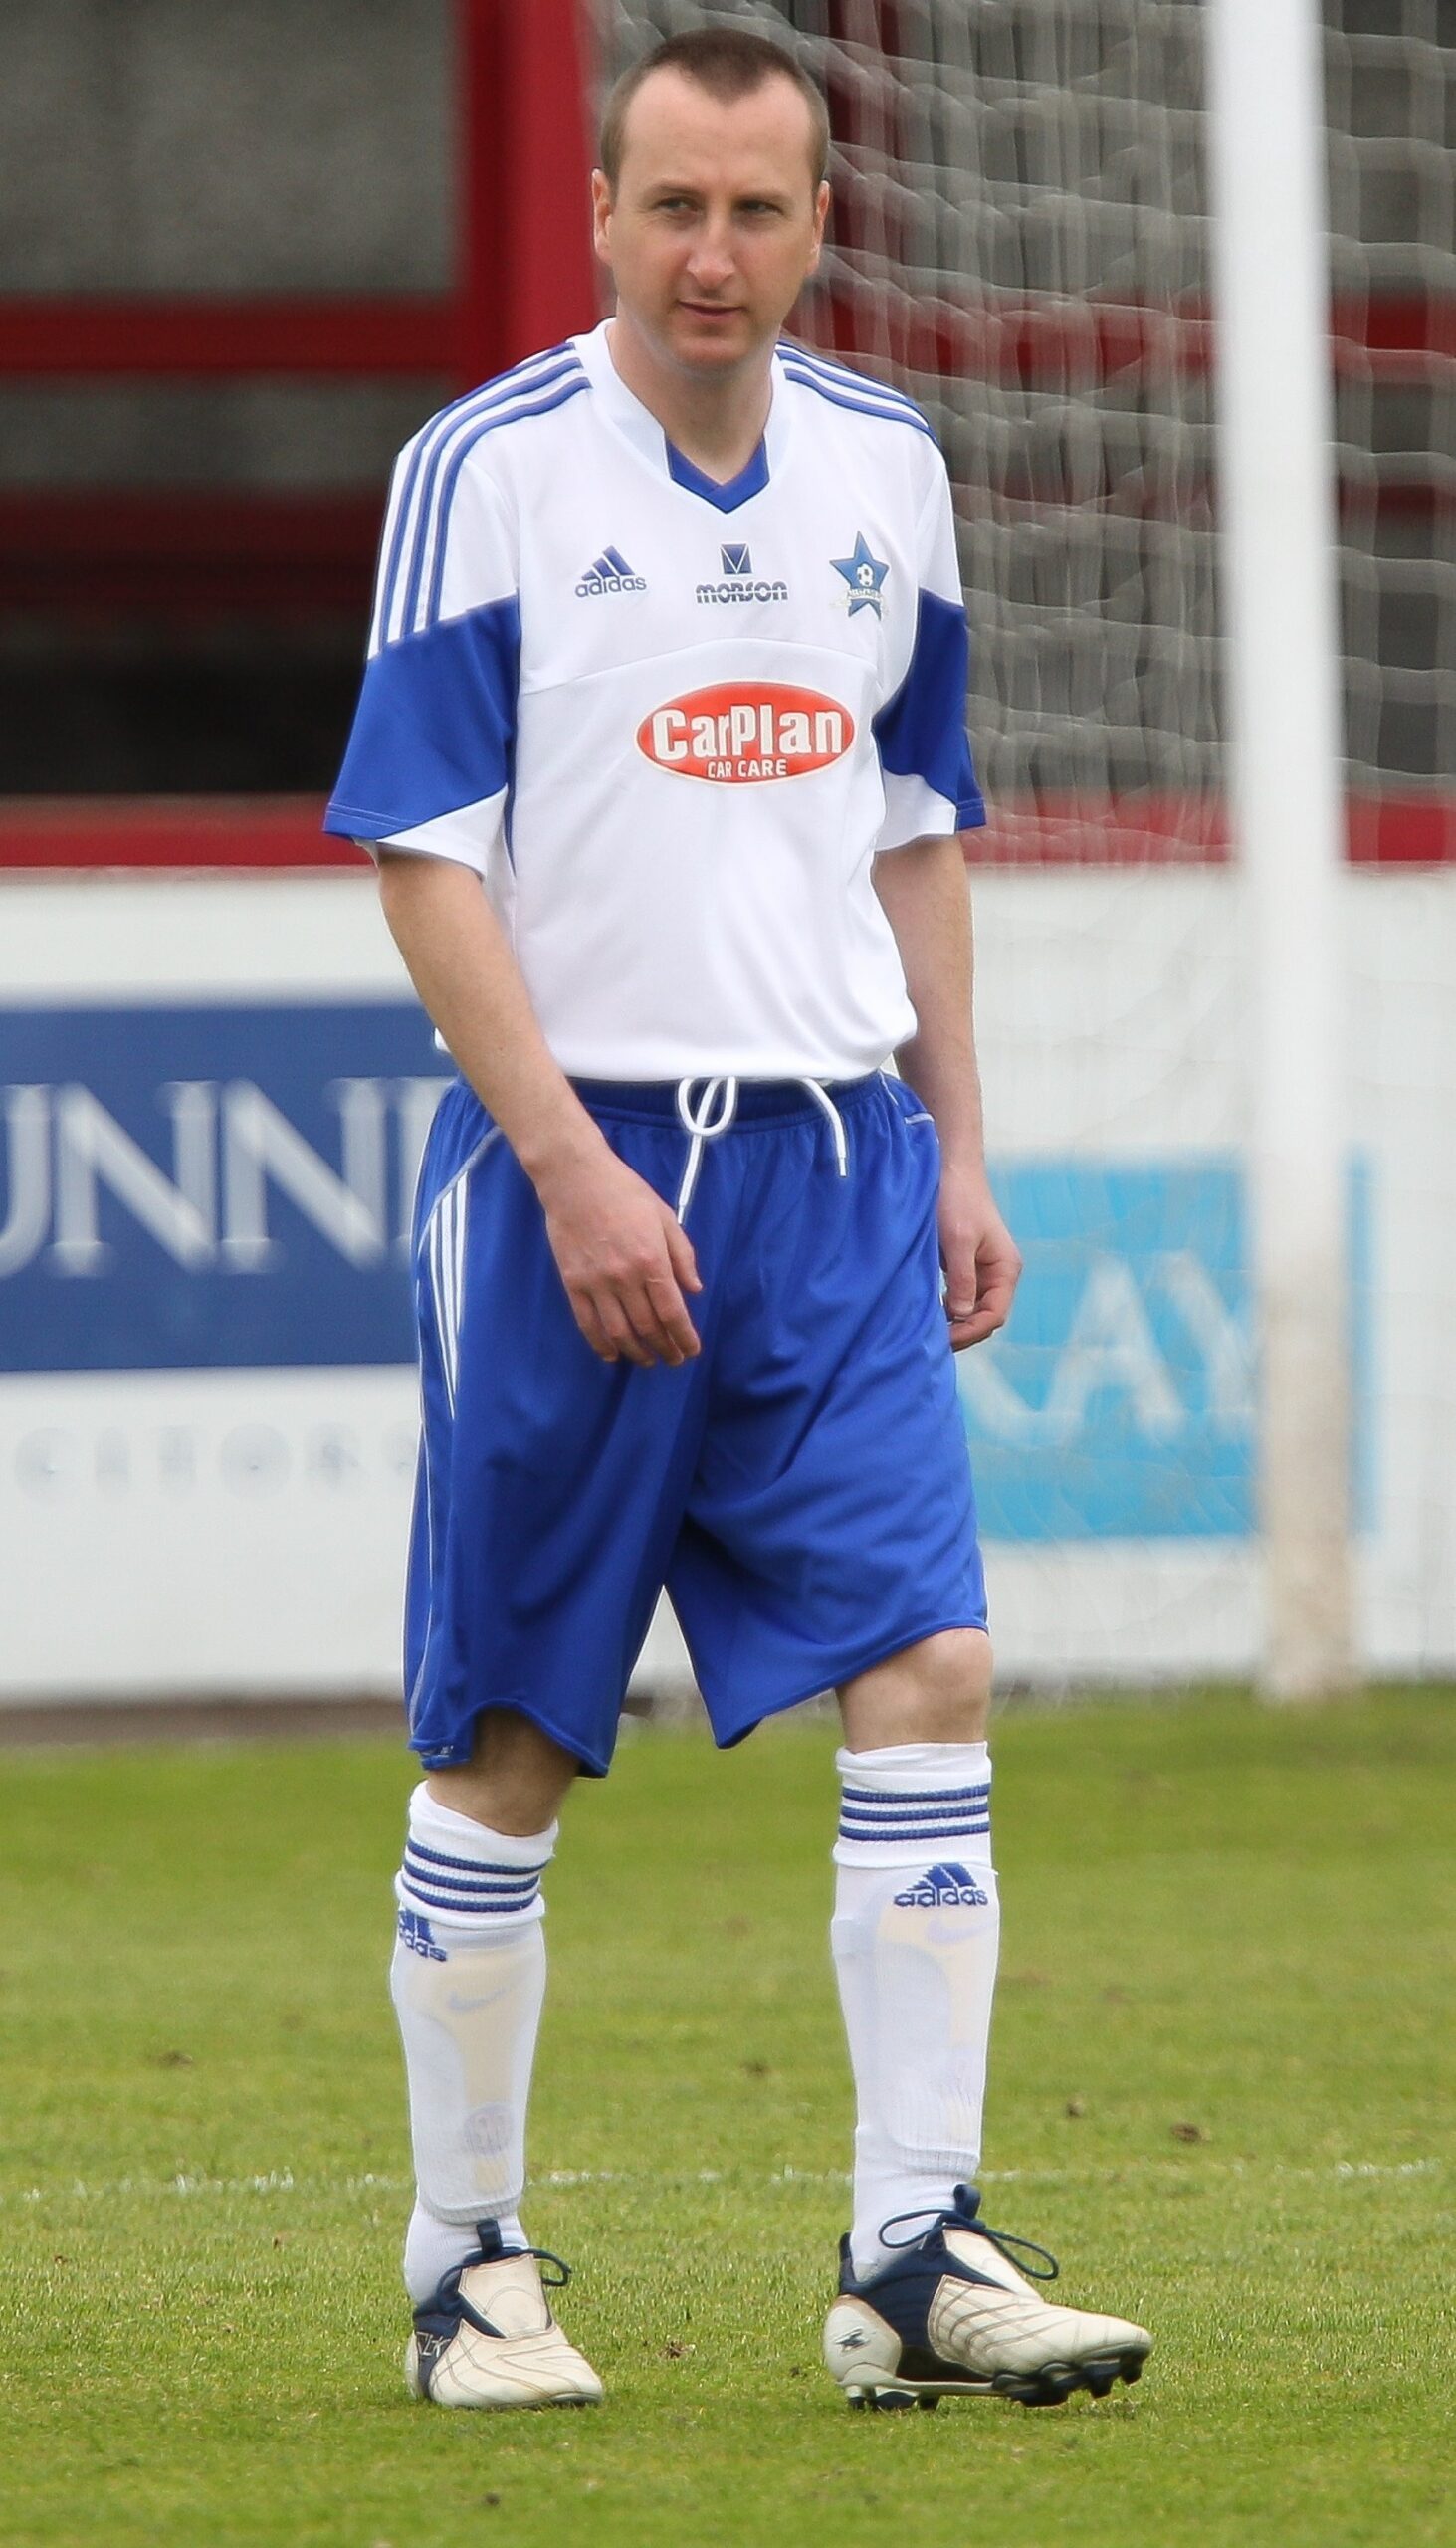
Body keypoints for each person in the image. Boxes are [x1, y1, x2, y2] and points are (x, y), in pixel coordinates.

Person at [323, 26, 1150, 2414]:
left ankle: (916, 2247)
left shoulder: (892, 466)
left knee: (935, 1672)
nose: (715, 254)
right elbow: (423, 851)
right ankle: (466, 2262)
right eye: (672, 205)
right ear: (597, 208)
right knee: (510, 1734)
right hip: (571, 1159)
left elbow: (916, 815)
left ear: (817, 222)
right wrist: (572, 1169)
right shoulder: (481, 472)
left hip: (836, 1164)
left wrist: (959, 1132)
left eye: (759, 212)